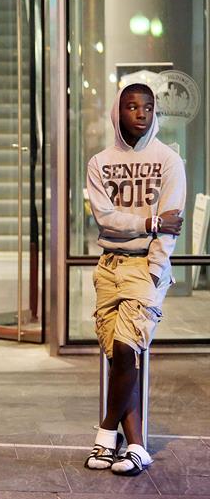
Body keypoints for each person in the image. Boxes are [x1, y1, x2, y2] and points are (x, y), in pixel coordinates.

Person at [85, 82, 186, 476]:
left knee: (128, 350)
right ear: (118, 112)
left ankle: (106, 434)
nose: (140, 113)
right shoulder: (100, 162)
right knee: (118, 356)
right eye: (131, 106)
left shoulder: (168, 160)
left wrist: (156, 270)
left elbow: (171, 224)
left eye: (147, 107)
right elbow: (105, 217)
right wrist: (148, 221)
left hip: (145, 266)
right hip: (109, 267)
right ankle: (137, 447)